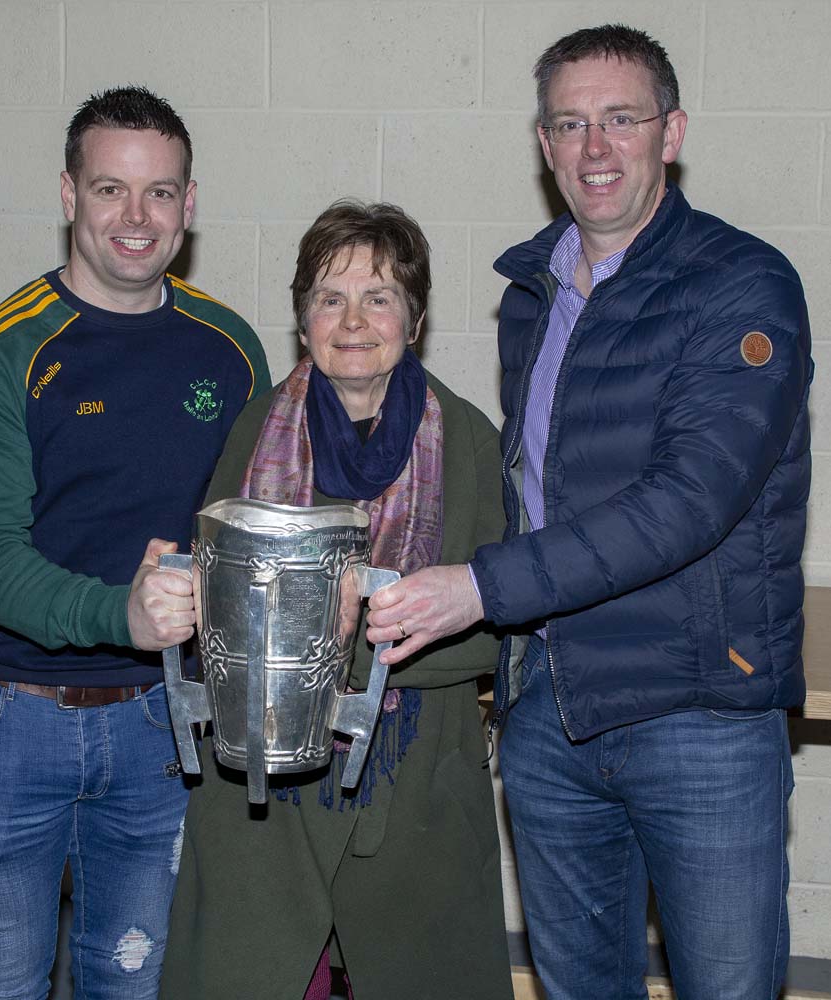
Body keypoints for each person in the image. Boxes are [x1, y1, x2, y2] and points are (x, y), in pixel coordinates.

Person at [367, 24, 812, 1000]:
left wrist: (478, 588)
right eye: (570, 124)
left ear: (671, 132)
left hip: (697, 713)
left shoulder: (742, 284)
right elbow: (535, 488)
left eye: (621, 119)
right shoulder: (532, 294)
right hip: (551, 715)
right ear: (544, 144)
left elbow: (690, 502)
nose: (595, 147)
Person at [0, 86, 270, 1000]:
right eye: (110, 188)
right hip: (10, 722)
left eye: (159, 192)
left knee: (131, 982)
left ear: (189, 204)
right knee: (3, 986)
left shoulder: (230, 349)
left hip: (161, 722)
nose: (136, 217)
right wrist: (120, 614)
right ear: (69, 195)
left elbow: (254, 526)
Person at [160, 201, 513, 1000]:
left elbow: (502, 623)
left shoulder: (468, 440)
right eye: (329, 297)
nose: (353, 321)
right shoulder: (256, 429)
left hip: (415, 780)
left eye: (379, 297)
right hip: (265, 793)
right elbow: (215, 606)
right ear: (303, 319)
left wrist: (357, 639)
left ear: (414, 319)